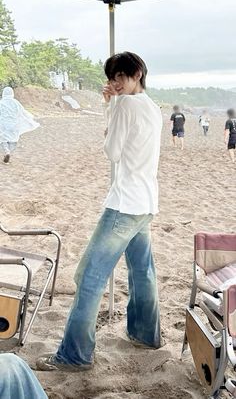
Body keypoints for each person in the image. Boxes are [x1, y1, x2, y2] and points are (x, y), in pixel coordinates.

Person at [36, 51, 163, 372]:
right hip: (146, 202)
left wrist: (112, 107)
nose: (117, 82)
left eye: (122, 75)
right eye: (113, 77)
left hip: (124, 205)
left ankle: (74, 355)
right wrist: (114, 104)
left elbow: (112, 151)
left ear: (137, 74)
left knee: (88, 276)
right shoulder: (152, 107)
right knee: (142, 271)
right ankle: (146, 334)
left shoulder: (126, 106)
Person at [0, 87, 39, 163]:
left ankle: (6, 152)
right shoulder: (16, 102)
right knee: (13, 140)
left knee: (2, 139)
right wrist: (30, 117)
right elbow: (22, 112)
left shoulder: (1, 102)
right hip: (14, 124)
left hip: (3, 124)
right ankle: (9, 152)